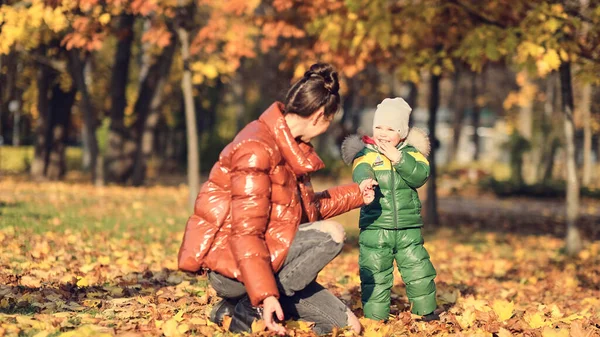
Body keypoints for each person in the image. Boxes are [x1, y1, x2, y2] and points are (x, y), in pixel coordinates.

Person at [178, 63, 377, 335]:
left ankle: (229, 309)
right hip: (233, 266)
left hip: (271, 261)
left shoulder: (292, 149)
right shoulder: (256, 148)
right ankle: (249, 310)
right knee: (332, 234)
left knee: (348, 327)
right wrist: (264, 297)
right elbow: (245, 234)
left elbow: (307, 212)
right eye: (330, 121)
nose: (328, 128)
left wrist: (358, 194)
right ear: (319, 116)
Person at [341, 97, 439, 322]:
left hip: (408, 227)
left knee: (418, 269)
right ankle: (376, 318)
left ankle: (426, 313)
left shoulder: (412, 154)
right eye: (378, 127)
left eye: (390, 128)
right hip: (375, 225)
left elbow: (420, 176)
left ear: (402, 133)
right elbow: (361, 171)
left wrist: (399, 159)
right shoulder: (367, 154)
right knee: (375, 271)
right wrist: (364, 181)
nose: (383, 133)